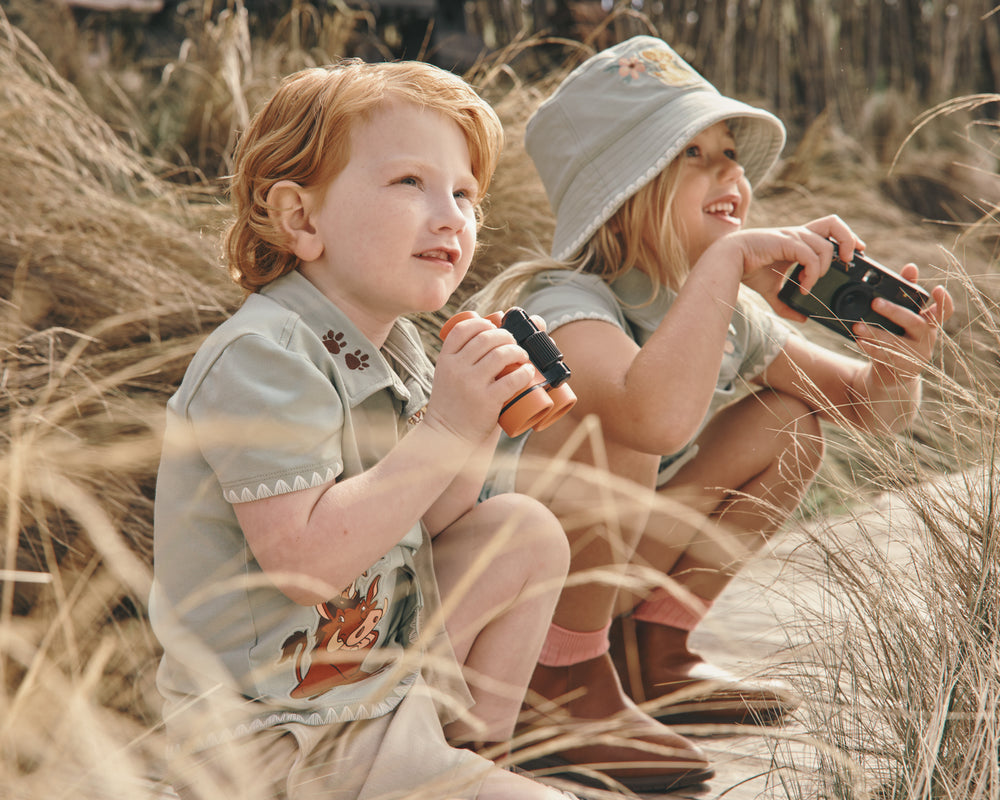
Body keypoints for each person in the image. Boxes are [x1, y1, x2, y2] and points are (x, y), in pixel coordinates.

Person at [470, 35, 954, 791]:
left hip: (607, 579)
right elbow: (651, 418)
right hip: (509, 606)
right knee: (626, 419)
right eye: (690, 154)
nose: (729, 170)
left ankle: (652, 652)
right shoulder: (567, 307)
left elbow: (866, 408)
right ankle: (558, 682)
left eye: (729, 151)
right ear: (623, 191)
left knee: (789, 420)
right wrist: (729, 264)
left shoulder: (728, 314)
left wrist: (897, 368)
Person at [147, 59, 579, 800]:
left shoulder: (398, 346)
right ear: (301, 219)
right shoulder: (264, 356)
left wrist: (477, 417)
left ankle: (473, 759)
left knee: (521, 531)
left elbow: (436, 519)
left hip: (376, 693)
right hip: (276, 739)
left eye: (467, 194)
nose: (452, 215)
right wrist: (445, 423)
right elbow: (307, 568)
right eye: (411, 182)